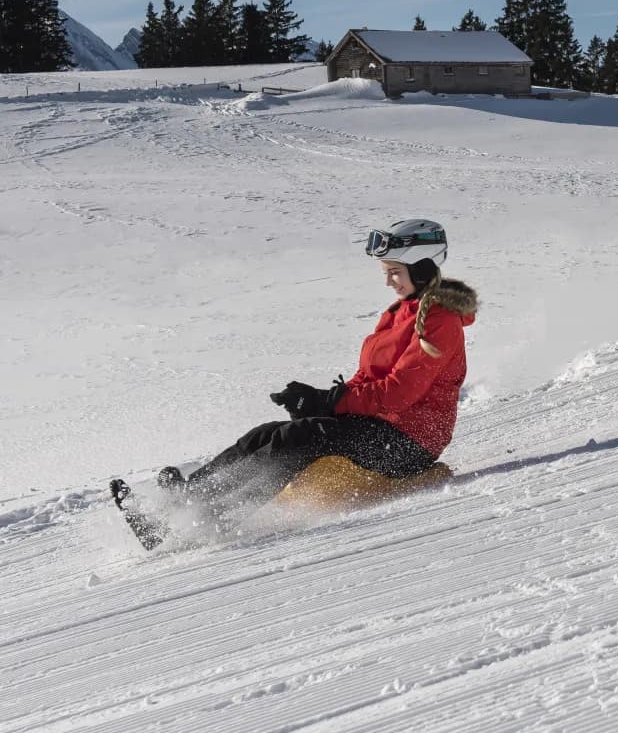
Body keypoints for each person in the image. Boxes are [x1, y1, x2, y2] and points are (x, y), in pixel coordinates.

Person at [111, 219, 477, 543]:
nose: (387, 280)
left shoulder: (439, 321)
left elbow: (399, 393)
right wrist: (321, 399)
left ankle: (214, 516)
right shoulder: (400, 312)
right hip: (379, 427)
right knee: (267, 433)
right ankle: (185, 499)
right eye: (386, 271)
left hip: (409, 442)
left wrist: (330, 402)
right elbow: (369, 378)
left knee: (300, 438)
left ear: (423, 268)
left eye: (395, 271)